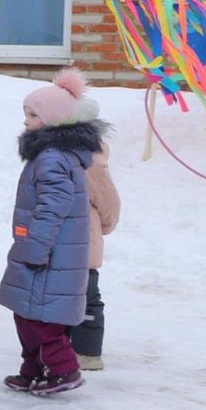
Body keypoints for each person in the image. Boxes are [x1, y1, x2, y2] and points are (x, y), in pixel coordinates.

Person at [0, 69, 104, 395]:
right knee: (26, 314)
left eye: (33, 115)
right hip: (45, 251)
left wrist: (36, 247)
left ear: (54, 120)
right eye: (25, 114)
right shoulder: (53, 155)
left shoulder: (52, 158)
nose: (27, 121)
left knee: (40, 320)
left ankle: (63, 370)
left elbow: (52, 207)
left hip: (48, 255)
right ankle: (34, 369)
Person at [75, 97, 120, 373]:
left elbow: (108, 201)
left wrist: (105, 224)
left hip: (84, 237)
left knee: (87, 294)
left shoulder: (90, 157)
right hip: (72, 236)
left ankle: (88, 352)